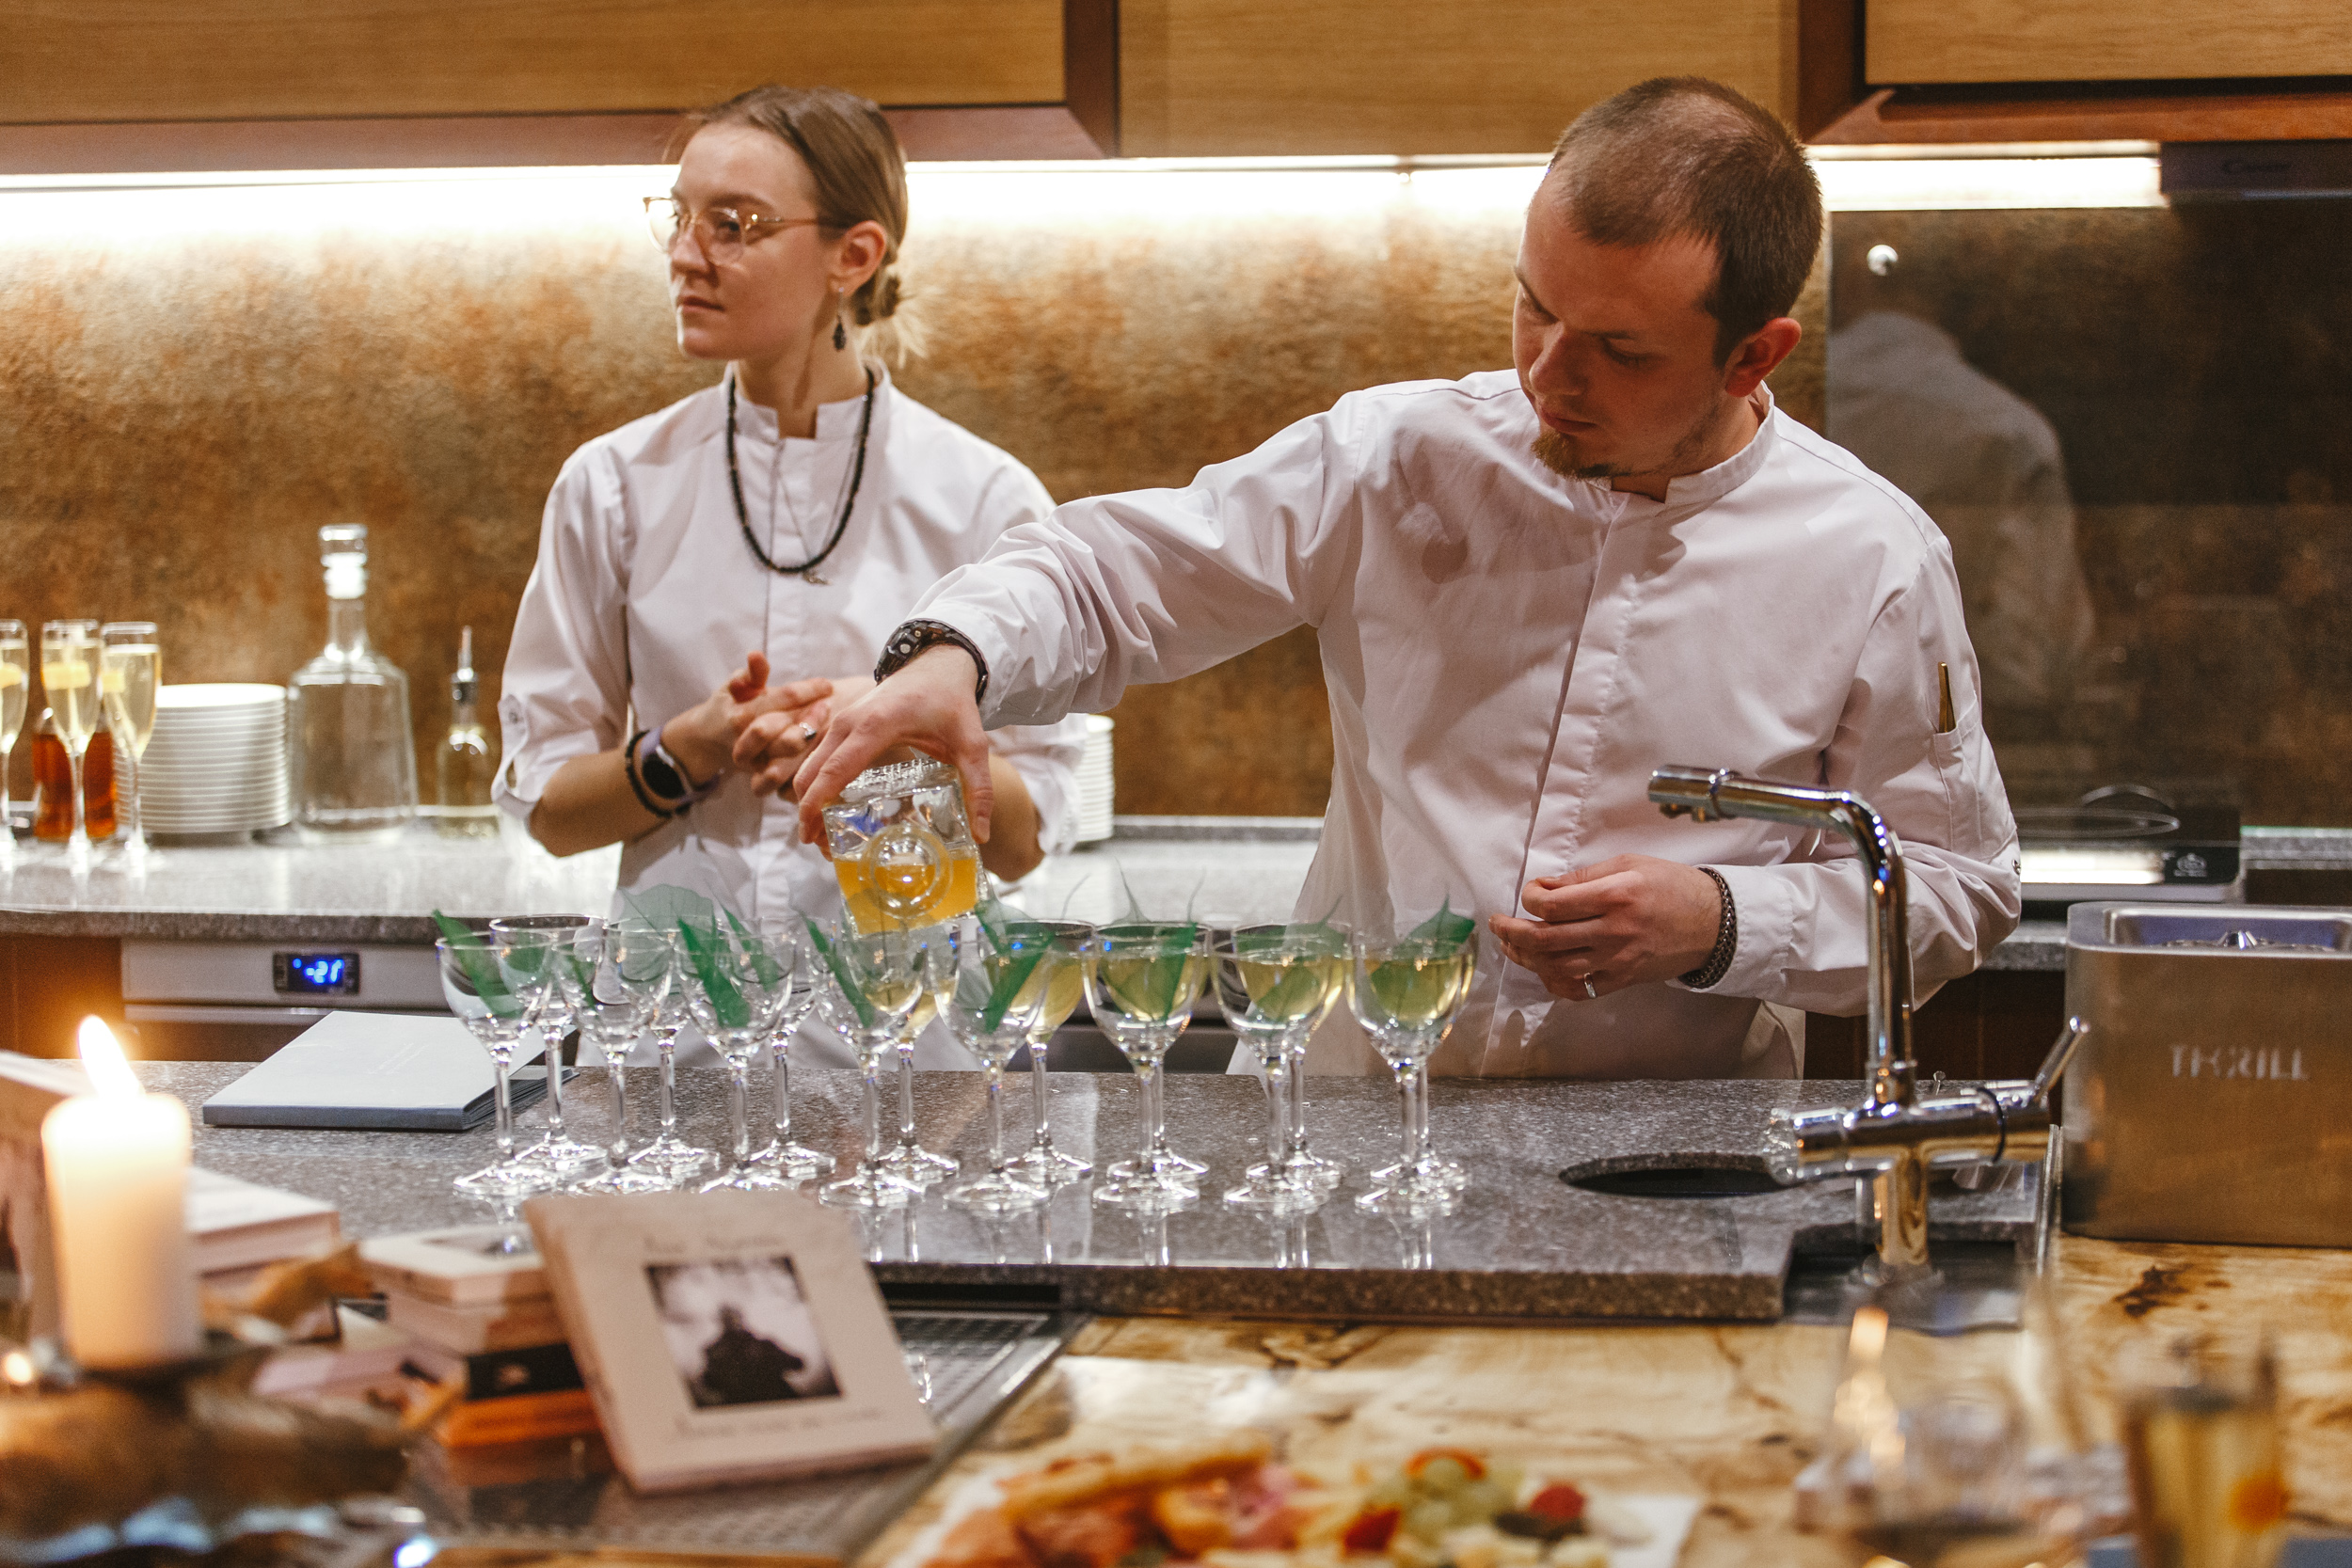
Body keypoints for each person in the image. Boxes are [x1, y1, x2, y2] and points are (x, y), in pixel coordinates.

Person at [778, 77, 2022, 1080]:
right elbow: (1113, 570)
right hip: (1354, 1113)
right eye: (1532, 308)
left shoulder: (1871, 558)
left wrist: (1724, 918)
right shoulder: (1394, 458)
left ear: (1754, 355)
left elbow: (1956, 890)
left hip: (1670, 1149)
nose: (1547, 375)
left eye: (1618, 349)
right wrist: (953, 655)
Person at [494, 85, 1085, 1066]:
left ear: (854, 256)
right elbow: (549, 809)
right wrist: (687, 747)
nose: (686, 254)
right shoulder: (612, 486)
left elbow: (1023, 839)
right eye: (678, 217)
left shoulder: (987, 501)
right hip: (675, 1043)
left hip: (913, 1054)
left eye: (733, 225)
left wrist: (893, 735)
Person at [1826, 238, 2094, 729]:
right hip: (1951, 732)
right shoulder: (2011, 430)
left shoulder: (1768, 402)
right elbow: (2033, 660)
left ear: (1848, 280)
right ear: (1981, 310)